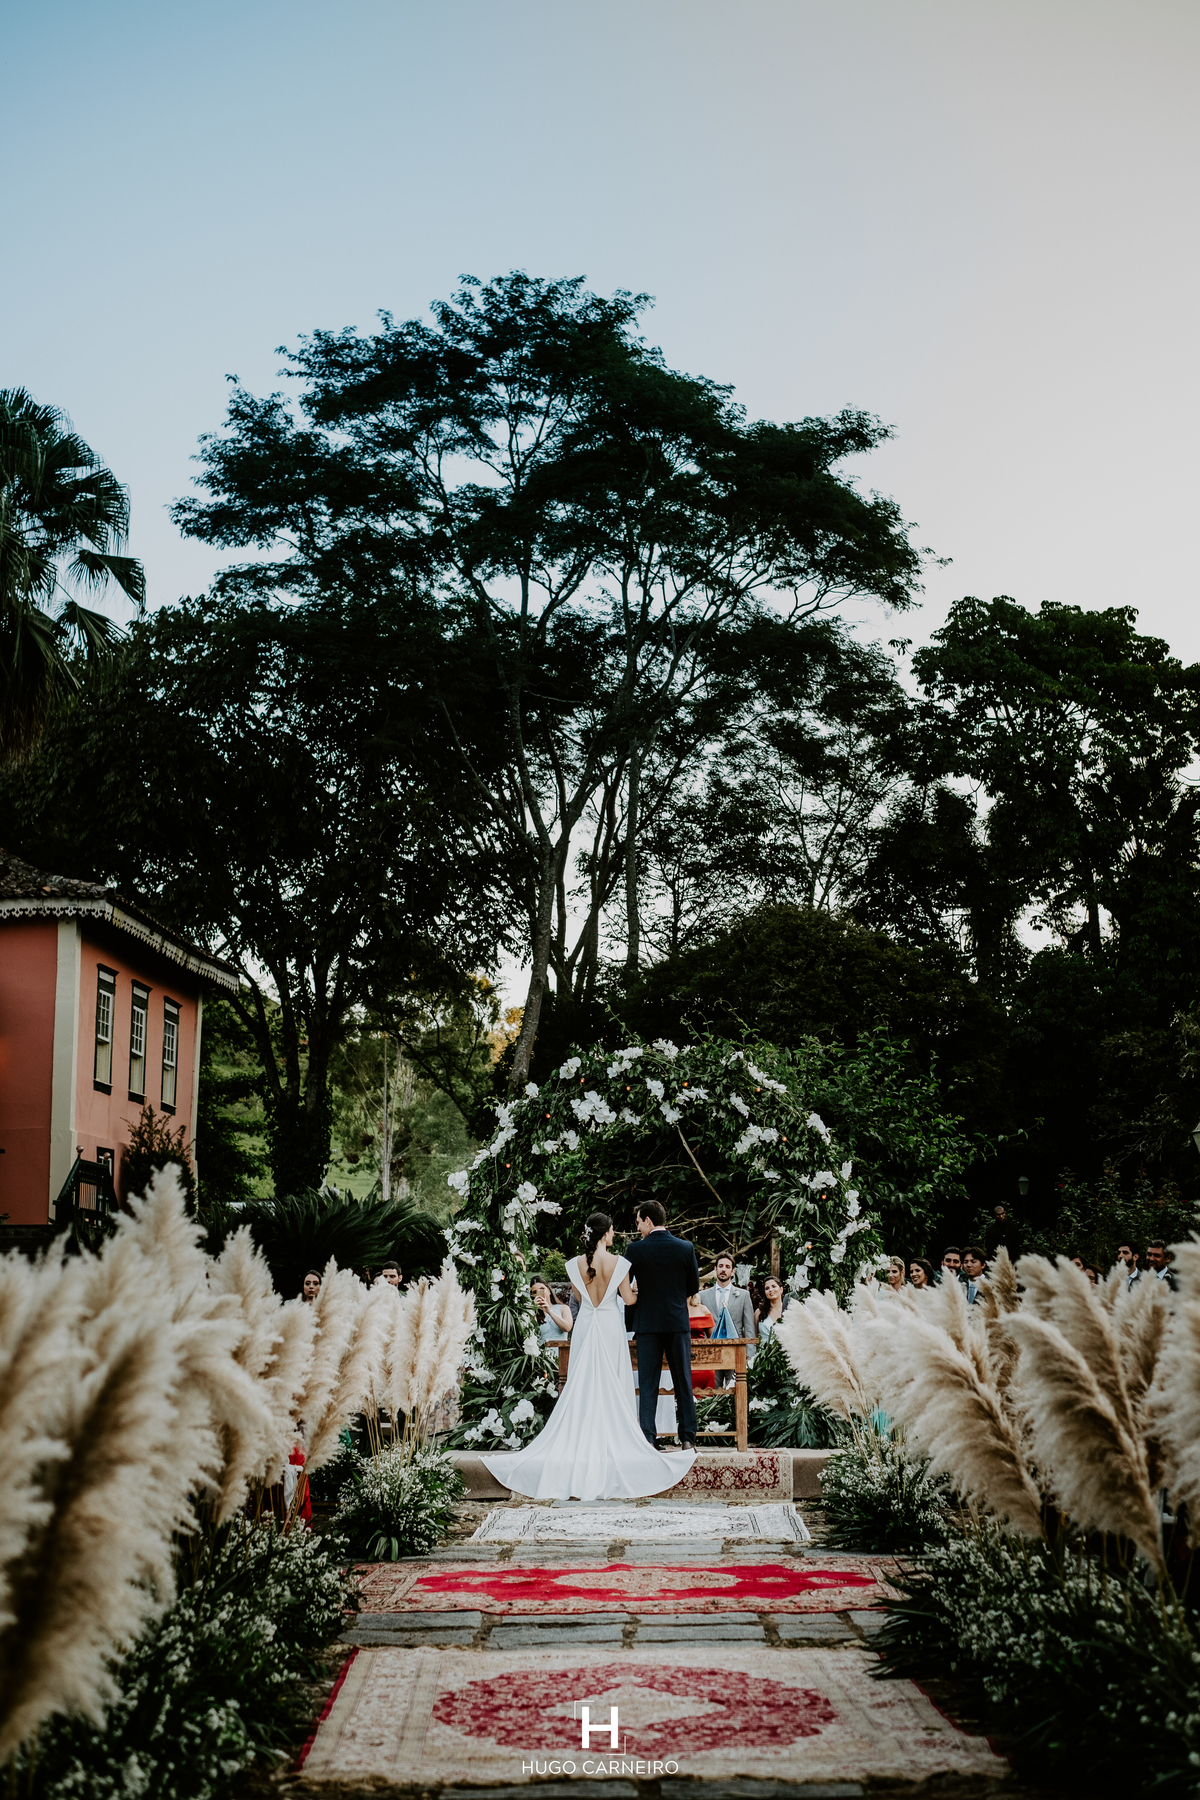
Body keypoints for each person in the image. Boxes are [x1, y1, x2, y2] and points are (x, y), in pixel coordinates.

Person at [479, 1209, 695, 1500]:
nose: (615, 1233)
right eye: (612, 1229)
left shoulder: (574, 1264)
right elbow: (629, 1299)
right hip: (609, 1326)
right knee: (613, 1383)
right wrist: (643, 1291)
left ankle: (584, 1438)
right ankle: (615, 1440)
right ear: (605, 1234)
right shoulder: (619, 1263)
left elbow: (579, 1299)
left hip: (586, 1326)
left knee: (584, 1384)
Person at [626, 1199, 703, 1452]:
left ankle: (648, 1438)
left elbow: (625, 1288)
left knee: (648, 1384)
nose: (638, 1228)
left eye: (639, 1222)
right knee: (683, 1381)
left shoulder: (635, 1250)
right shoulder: (685, 1247)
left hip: (647, 1324)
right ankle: (687, 1438)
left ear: (648, 1220)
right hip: (676, 1321)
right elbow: (693, 1286)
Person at [699, 1252, 757, 1342]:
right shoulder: (702, 1295)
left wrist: (749, 1351)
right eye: (720, 1266)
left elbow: (749, 1329)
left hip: (735, 1346)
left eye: (727, 1267)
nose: (723, 1269)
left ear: (733, 1271)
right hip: (710, 1346)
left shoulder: (744, 1295)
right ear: (715, 1269)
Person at [531, 1276, 572, 1342]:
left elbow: (567, 1328)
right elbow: (532, 1333)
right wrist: (533, 1309)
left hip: (561, 1347)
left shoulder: (563, 1308)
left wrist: (549, 1311)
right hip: (542, 1347)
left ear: (549, 1290)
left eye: (542, 1289)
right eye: (535, 1292)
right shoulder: (533, 1312)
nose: (538, 1293)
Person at [755, 1273, 790, 1338]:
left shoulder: (789, 1310)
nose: (770, 1290)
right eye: (767, 1288)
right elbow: (753, 1336)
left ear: (781, 1289)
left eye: (773, 1286)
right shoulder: (759, 1312)